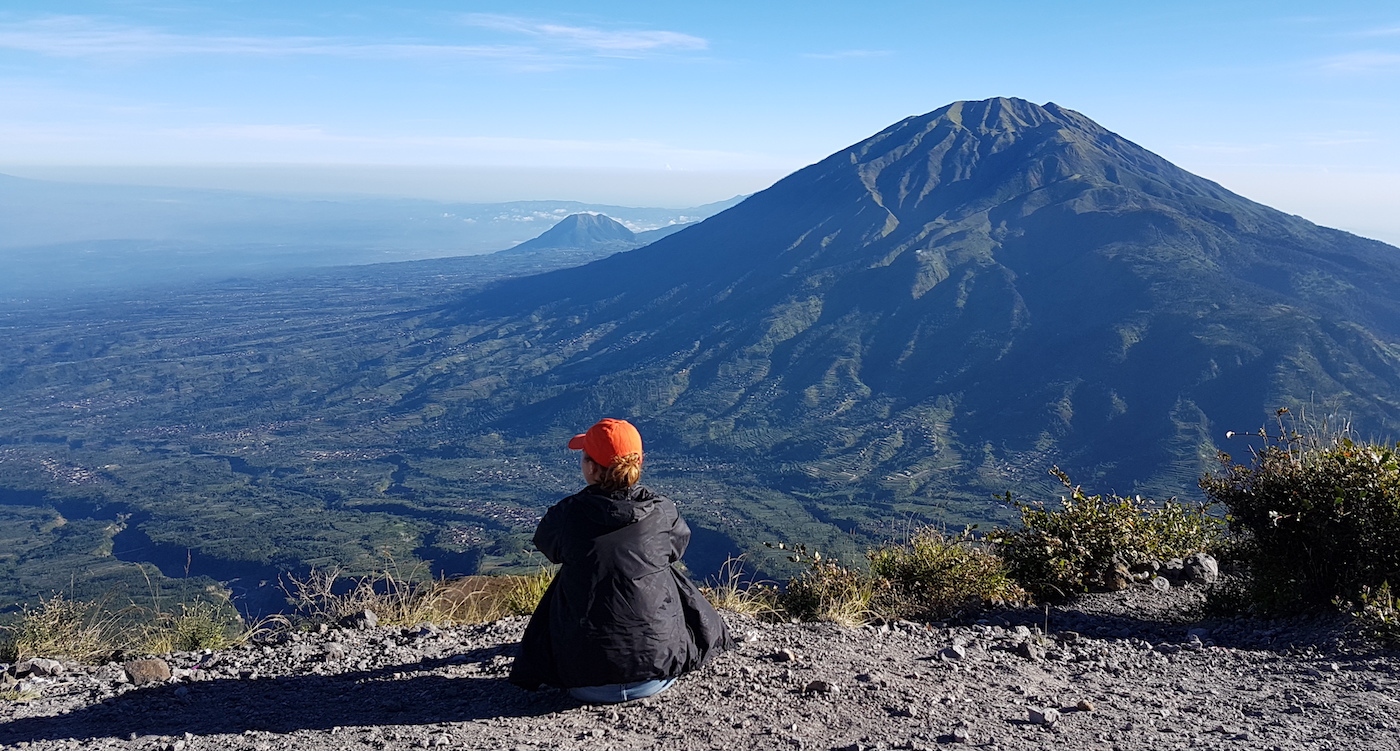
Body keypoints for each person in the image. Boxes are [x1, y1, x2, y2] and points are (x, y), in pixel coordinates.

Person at [508, 418, 733, 703]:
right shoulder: (661, 511)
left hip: (582, 680)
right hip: (658, 672)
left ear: (591, 468)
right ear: (638, 463)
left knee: (570, 579)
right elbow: (676, 549)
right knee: (664, 574)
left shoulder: (567, 515)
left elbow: (549, 548)